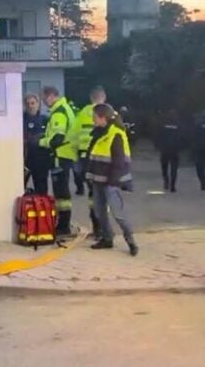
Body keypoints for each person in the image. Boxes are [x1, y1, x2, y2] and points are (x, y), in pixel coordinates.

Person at [85, 104, 139, 256]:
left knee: (118, 213)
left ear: (103, 118)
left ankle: (131, 241)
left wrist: (113, 182)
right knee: (99, 211)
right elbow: (92, 155)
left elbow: (118, 162)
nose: (93, 120)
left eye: (94, 117)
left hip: (110, 182)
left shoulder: (116, 134)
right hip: (98, 179)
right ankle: (107, 238)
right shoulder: (98, 133)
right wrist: (88, 174)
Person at [39, 86, 77, 237]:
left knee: (61, 192)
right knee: (62, 191)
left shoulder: (59, 113)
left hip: (60, 155)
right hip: (65, 155)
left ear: (50, 96)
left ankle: (63, 226)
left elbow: (57, 139)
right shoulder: (64, 108)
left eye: (43, 98)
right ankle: (64, 224)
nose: (43, 102)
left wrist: (40, 142)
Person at [72, 85, 107, 238]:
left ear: (90, 98)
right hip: (104, 159)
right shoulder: (109, 113)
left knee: (92, 193)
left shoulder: (82, 113)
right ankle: (103, 228)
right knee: (102, 193)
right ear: (103, 97)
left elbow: (72, 135)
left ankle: (97, 228)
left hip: (85, 157)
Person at [23, 94, 49, 194]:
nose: (30, 106)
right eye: (28, 103)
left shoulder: (45, 120)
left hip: (40, 159)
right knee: (20, 187)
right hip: (25, 158)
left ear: (38, 104)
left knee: (41, 188)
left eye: (33, 103)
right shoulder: (20, 120)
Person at [155, 109, 184, 192]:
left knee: (164, 167)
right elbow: (182, 137)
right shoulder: (179, 125)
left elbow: (158, 135)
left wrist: (158, 146)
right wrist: (181, 148)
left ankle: (166, 181)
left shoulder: (163, 124)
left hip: (165, 149)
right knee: (174, 168)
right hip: (175, 149)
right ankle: (173, 185)